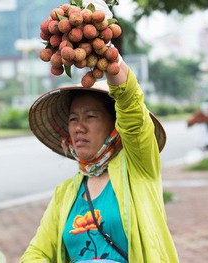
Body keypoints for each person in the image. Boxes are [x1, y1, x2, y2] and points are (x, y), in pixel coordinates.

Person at [20, 56, 179, 262]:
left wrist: (108, 55)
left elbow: (130, 108)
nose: (79, 127)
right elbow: (37, 253)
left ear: (115, 125)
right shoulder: (66, 193)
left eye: (91, 116)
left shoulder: (138, 170)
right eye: (73, 119)